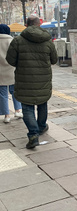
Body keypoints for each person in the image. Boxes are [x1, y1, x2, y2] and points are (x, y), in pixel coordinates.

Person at [6, 16, 58, 149]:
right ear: (39, 24)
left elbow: (10, 60)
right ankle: (41, 126)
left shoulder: (18, 40)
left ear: (26, 25)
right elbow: (54, 60)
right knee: (42, 103)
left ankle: (33, 134)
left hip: (24, 79)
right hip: (43, 79)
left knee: (27, 106)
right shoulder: (47, 41)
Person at [0, 24, 23, 123]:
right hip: (13, 70)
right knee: (15, 91)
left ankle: (6, 115)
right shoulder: (13, 41)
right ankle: (17, 110)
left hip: (0, 72)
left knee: (2, 94)